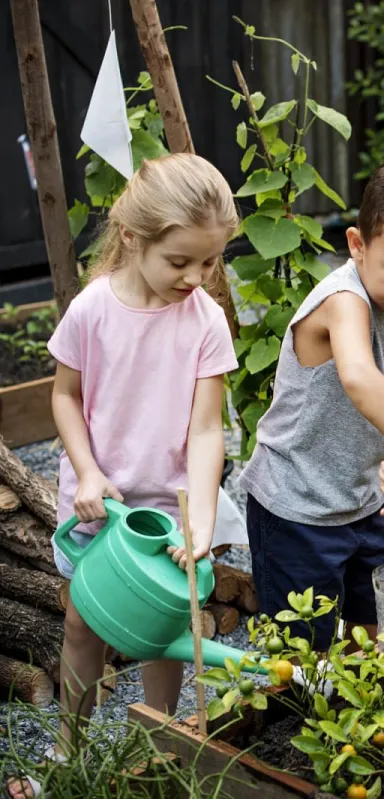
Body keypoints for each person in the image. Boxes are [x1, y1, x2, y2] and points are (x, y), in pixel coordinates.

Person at [7, 153, 239, 799]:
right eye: (181, 261)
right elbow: (65, 398)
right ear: (135, 238)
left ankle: (163, 740)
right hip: (98, 503)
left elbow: (204, 428)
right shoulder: (92, 310)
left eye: (210, 262)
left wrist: (198, 518)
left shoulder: (206, 321)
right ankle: (68, 745)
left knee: (167, 629)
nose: (196, 277)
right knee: (82, 625)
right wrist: (86, 470)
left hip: (171, 503)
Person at [239, 150, 384, 651]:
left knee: (376, 630)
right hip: (296, 508)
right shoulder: (342, 301)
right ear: (357, 245)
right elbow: (361, 377)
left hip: (359, 501)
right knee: (304, 655)